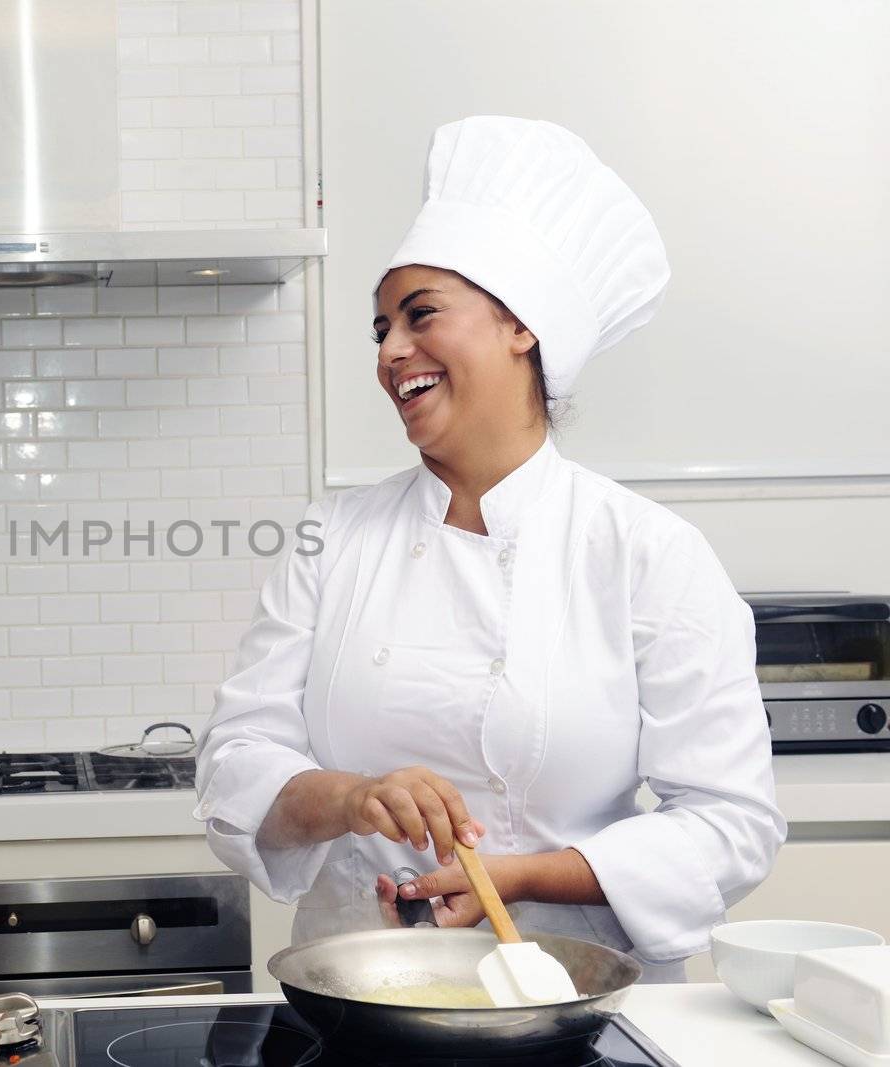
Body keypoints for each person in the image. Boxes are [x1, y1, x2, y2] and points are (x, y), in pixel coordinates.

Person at [194, 116, 783, 980]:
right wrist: (351, 796)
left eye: (420, 314)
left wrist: (518, 877)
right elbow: (237, 759)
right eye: (380, 328)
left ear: (523, 327)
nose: (393, 351)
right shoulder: (333, 536)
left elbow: (732, 824)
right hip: (358, 995)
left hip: (579, 996)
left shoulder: (646, 552)